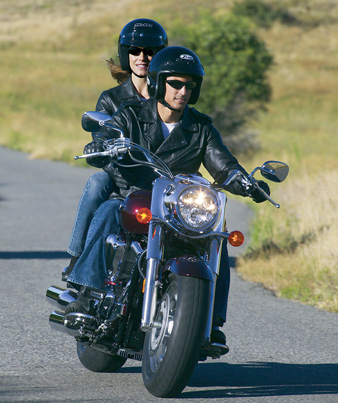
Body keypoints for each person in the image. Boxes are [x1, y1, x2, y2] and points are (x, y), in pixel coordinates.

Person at [66, 46, 270, 345]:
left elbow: (222, 162)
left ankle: (210, 320)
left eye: (190, 85)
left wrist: (244, 181)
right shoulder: (131, 115)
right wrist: (100, 146)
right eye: (176, 83)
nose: (183, 91)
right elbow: (109, 135)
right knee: (109, 210)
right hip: (134, 195)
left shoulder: (200, 127)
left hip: (177, 206)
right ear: (160, 83)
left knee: (218, 234)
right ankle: (87, 293)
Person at [63, 19, 168, 280]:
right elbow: (103, 137)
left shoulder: (170, 97)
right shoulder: (111, 98)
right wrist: (102, 148)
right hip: (122, 176)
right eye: (135, 51)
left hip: (161, 180)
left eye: (150, 51)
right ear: (125, 54)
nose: (142, 57)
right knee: (98, 181)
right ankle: (77, 258)